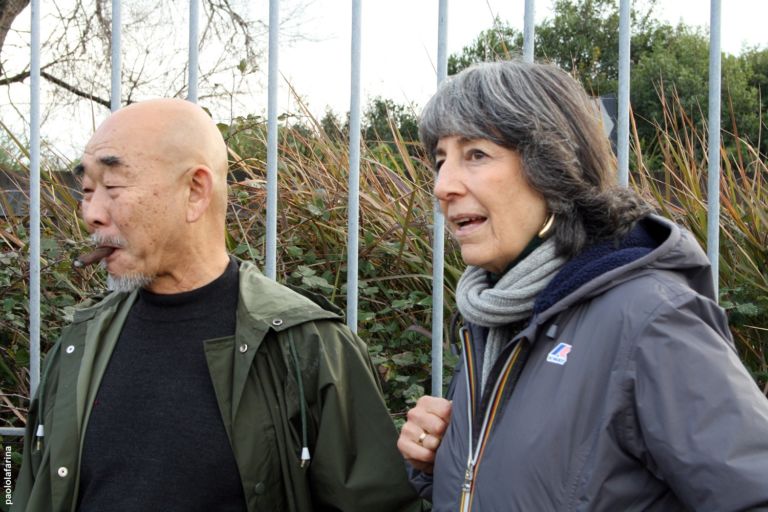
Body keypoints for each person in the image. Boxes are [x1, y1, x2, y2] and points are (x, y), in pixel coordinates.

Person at [12, 98, 422, 512]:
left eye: (113, 187)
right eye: (87, 190)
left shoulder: (306, 346)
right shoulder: (78, 345)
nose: (92, 213)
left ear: (195, 191)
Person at [397, 59, 768, 511]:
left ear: (553, 165)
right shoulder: (494, 315)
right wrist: (440, 463)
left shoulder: (651, 317)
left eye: (476, 154)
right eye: (440, 160)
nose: (443, 185)